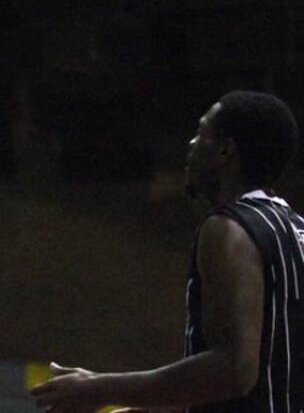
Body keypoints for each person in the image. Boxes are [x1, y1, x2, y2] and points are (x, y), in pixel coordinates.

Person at [32, 91, 302, 413]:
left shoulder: (228, 228)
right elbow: (271, 370)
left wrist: (97, 388)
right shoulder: (295, 229)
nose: (190, 145)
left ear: (225, 151)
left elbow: (233, 371)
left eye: (201, 134)